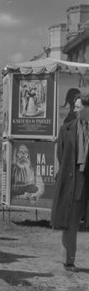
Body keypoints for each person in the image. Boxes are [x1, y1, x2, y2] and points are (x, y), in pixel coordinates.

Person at [51, 94, 89, 272]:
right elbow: (62, 156)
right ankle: (69, 261)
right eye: (74, 106)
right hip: (74, 182)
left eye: (78, 107)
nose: (74, 110)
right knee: (70, 224)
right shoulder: (66, 129)